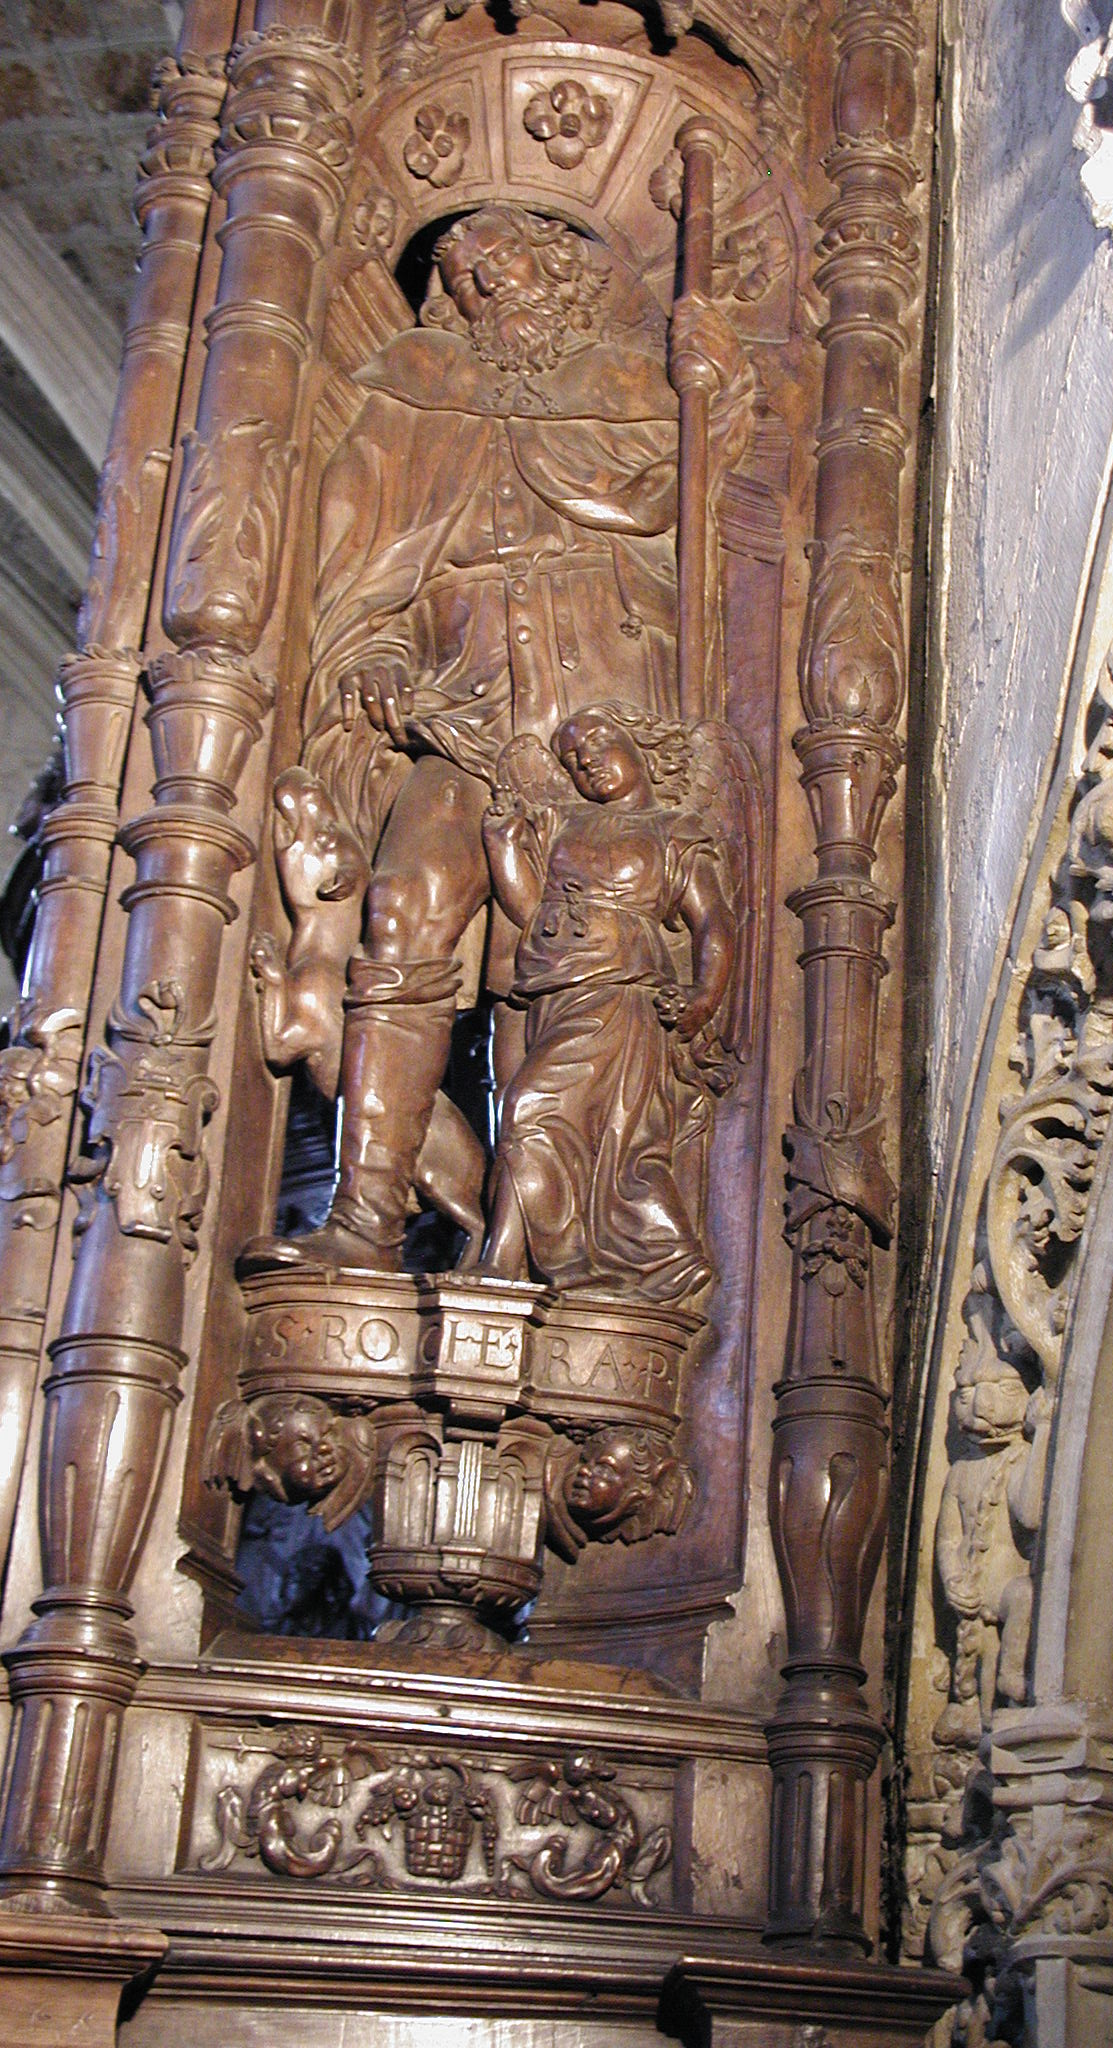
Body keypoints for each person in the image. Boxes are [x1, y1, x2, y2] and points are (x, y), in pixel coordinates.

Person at [255, 203, 752, 1273]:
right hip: (464, 707)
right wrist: (375, 654)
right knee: (403, 905)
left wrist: (723, 391)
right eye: (465, 276)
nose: (489, 285)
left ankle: (561, 1246)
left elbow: (710, 512)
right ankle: (366, 1215)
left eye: (506, 259)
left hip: (599, 718)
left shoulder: (638, 387)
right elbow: (360, 559)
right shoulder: (417, 388)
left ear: (561, 266)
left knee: (574, 970)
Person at [477, 705, 738, 1303]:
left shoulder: (673, 830)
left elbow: (713, 922)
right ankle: (573, 1258)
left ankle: (509, 1261)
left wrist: (703, 997)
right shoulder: (564, 822)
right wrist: (503, 845)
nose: (586, 760)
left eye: (597, 741)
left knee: (532, 1106)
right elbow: (530, 910)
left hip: (622, 992)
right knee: (581, 1135)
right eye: (572, 758)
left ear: (637, 742)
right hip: (555, 987)